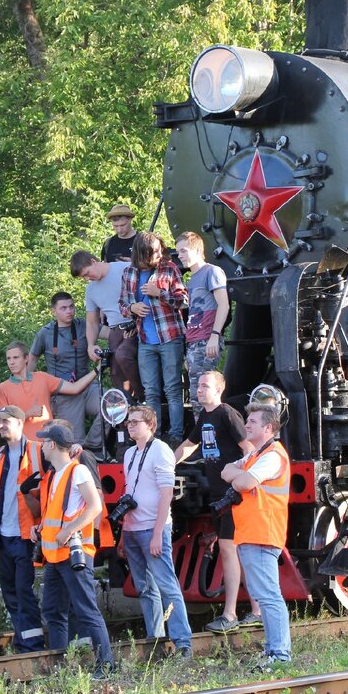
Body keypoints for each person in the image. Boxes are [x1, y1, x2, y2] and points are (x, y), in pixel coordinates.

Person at [174, 370, 260, 632]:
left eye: (205, 386)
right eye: (198, 386)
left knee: (229, 550)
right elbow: (190, 444)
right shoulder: (204, 416)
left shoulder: (226, 414)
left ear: (219, 390)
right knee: (234, 551)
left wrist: (245, 480)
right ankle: (256, 609)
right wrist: (167, 465)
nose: (199, 390)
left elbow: (250, 449)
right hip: (217, 492)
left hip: (232, 494)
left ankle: (231, 614)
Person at [34, 422, 113, 679]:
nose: (43, 446)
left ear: (53, 445)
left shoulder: (77, 471)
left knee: (86, 610)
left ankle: (106, 665)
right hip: (55, 556)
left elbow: (94, 507)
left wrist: (68, 530)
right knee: (53, 611)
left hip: (73, 554)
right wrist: (42, 527)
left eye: (45, 442)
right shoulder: (56, 475)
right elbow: (60, 511)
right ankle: (60, 667)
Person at [220, 401, 293, 670]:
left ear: (269, 427)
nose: (246, 424)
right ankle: (274, 649)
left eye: (252, 421)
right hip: (252, 533)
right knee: (265, 595)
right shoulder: (255, 456)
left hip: (263, 532)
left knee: (269, 596)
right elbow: (226, 471)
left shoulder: (273, 456)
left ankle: (280, 654)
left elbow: (244, 482)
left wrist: (239, 477)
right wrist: (239, 476)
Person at [118, 405, 193, 658]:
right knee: (145, 588)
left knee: (166, 585)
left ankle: (183, 642)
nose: (130, 425)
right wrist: (122, 534)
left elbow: (166, 492)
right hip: (132, 528)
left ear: (150, 425)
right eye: (129, 422)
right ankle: (156, 639)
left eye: (136, 422)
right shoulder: (129, 453)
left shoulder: (160, 449)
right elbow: (129, 491)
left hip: (152, 527)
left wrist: (158, 533)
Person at [0, 405, 45, 653]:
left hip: (26, 535)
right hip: (3, 536)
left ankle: (32, 645)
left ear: (20, 423)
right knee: (10, 591)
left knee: (22, 591)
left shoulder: (38, 452)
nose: (1, 425)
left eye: (6, 421)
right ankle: (24, 641)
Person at [120, 232, 188, 441]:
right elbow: (122, 305)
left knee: (173, 389)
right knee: (151, 391)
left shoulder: (169, 268)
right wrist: (132, 307)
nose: (159, 254)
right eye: (154, 252)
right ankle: (153, 436)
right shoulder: (129, 273)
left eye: (160, 250)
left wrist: (160, 293)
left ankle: (176, 435)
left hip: (170, 337)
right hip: (145, 341)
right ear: (142, 254)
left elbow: (183, 300)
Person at [28, 292, 107, 457]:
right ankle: (82, 457)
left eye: (71, 306)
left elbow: (112, 334)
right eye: (63, 308)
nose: (69, 311)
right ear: (53, 311)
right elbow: (32, 358)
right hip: (64, 394)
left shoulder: (84, 325)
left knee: (113, 406)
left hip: (87, 386)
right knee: (72, 442)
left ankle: (93, 446)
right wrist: (30, 388)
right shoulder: (45, 333)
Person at [70, 250, 140, 404]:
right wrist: (90, 345)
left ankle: (143, 397)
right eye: (84, 277)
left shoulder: (125, 268)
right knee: (115, 373)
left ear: (94, 261)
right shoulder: (91, 290)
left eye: (88, 273)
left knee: (124, 355)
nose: (88, 278)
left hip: (137, 325)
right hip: (115, 330)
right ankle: (126, 416)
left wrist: (138, 321)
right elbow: (92, 321)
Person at [0, 341, 97, 443]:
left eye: (16, 357)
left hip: (49, 445)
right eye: (8, 358)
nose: (11, 362)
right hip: (22, 447)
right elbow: (2, 424)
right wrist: (27, 413)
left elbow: (75, 388)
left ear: (26, 358)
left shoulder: (42, 378)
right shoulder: (2, 388)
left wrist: (97, 370)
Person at [175, 231, 230, 380]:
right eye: (178, 252)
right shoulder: (192, 279)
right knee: (196, 394)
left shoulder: (212, 272)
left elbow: (224, 305)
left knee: (204, 392)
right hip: (194, 341)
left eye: (183, 251)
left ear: (198, 250)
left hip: (207, 338)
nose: (179, 255)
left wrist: (215, 335)